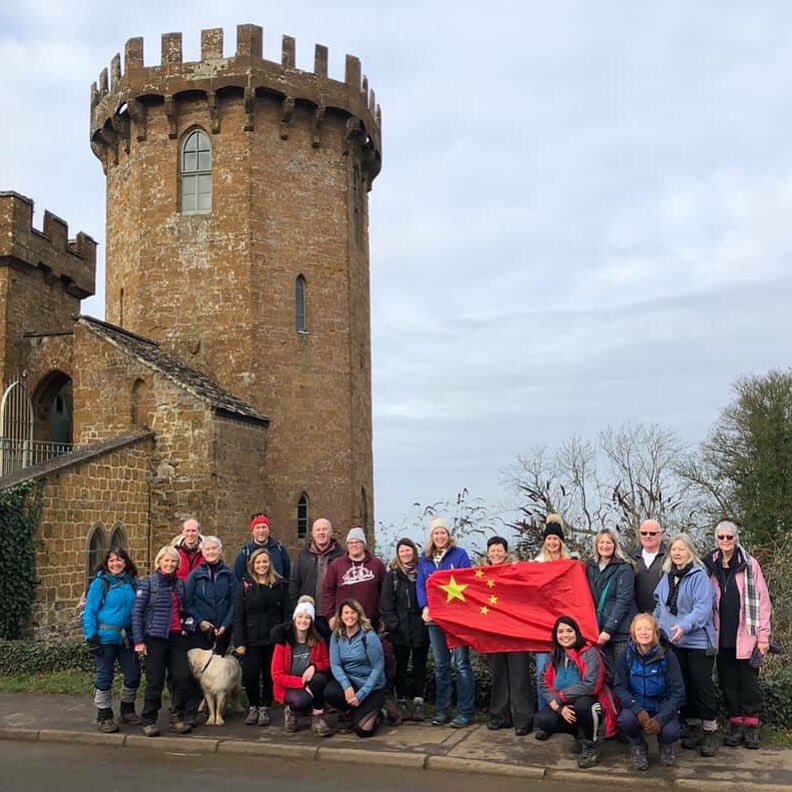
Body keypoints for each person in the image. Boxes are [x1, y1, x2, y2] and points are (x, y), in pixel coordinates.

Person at [704, 519, 772, 750]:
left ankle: (752, 726)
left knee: (749, 684)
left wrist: (763, 637)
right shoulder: (709, 564)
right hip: (720, 635)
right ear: (716, 539)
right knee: (728, 683)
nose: (725, 541)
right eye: (720, 537)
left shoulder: (749, 564)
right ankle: (735, 724)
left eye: (729, 537)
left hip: (747, 635)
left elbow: (763, 603)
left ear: (736, 538)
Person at [654, 533, 718, 756]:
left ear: (690, 551)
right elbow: (659, 606)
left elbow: (702, 609)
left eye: (681, 549)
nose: (677, 553)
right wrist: (654, 626)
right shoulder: (667, 576)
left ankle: (710, 731)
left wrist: (684, 625)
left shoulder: (699, 576)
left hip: (698, 641)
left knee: (702, 687)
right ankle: (693, 729)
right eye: (674, 549)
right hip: (674, 642)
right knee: (683, 686)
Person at [534, 615, 618, 769]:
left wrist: (561, 697)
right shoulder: (555, 654)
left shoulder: (589, 652)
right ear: (555, 635)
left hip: (592, 703)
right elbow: (543, 683)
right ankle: (579, 734)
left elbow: (591, 685)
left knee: (583, 705)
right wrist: (559, 708)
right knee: (543, 719)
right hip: (565, 705)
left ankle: (591, 745)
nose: (565, 635)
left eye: (569, 631)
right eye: (560, 632)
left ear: (577, 632)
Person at [417, 516, 476, 728]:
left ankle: (466, 711)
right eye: (436, 533)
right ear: (431, 537)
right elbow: (421, 586)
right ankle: (443, 710)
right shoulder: (424, 559)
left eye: (443, 532)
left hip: (457, 619)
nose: (440, 536)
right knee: (441, 665)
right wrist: (424, 606)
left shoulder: (460, 555)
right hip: (434, 619)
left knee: (461, 664)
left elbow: (468, 581)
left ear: (448, 535)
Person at [131, 545, 193, 737]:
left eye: (173, 561)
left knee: (182, 678)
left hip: (176, 638)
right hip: (155, 638)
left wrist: (187, 626)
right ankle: (149, 719)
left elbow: (184, 610)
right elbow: (137, 612)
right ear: (159, 561)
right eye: (166, 560)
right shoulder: (149, 583)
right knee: (155, 681)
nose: (170, 564)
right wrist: (139, 641)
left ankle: (177, 717)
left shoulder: (179, 584)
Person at [613, 613, 685, 770]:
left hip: (662, 705)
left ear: (655, 633)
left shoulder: (668, 655)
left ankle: (666, 746)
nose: (643, 632)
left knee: (671, 732)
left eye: (648, 628)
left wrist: (660, 718)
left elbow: (678, 692)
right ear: (633, 633)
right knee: (625, 720)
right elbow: (620, 687)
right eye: (639, 629)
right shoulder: (625, 656)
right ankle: (639, 746)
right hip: (637, 705)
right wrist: (637, 710)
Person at [81, 547, 141, 732]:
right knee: (105, 677)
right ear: (107, 563)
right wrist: (91, 637)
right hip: (105, 637)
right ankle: (104, 715)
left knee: (133, 675)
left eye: (119, 560)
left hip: (127, 637)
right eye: (112, 560)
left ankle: (127, 709)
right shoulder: (100, 583)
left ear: (126, 562)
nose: (116, 563)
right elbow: (89, 611)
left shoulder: (132, 583)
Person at [184, 535, 237, 725]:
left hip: (222, 630)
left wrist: (225, 624)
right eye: (207, 550)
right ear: (202, 552)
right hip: (202, 630)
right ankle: (198, 707)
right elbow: (187, 603)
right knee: (200, 673)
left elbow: (234, 602)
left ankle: (220, 709)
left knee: (219, 673)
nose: (211, 552)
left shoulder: (229, 575)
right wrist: (200, 621)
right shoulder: (195, 575)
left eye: (214, 549)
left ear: (220, 551)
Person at [232, 548, 288, 727]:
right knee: (250, 675)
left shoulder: (279, 585)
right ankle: (253, 706)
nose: (262, 565)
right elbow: (238, 616)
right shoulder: (245, 586)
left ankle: (265, 707)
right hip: (251, 638)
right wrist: (239, 641)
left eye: (265, 561)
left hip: (273, 637)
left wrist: (284, 635)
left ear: (269, 563)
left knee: (270, 674)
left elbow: (286, 613)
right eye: (258, 562)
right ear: (252, 565)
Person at [485, 536, 534, 735]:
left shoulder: (516, 572)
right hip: (493, 634)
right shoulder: (480, 576)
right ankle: (499, 716)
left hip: (516, 633)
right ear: (488, 553)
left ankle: (523, 719)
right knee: (498, 676)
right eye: (493, 550)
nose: (496, 553)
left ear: (505, 552)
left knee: (519, 676)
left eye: (499, 550)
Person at [380, 537, 430, 721]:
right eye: (401, 551)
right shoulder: (393, 576)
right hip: (399, 629)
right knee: (399, 666)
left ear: (414, 552)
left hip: (420, 626)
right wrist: (394, 625)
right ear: (398, 554)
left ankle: (418, 702)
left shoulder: (423, 572)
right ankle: (400, 699)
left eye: (408, 550)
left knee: (419, 666)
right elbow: (386, 604)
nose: (405, 554)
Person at [271, 595, 334, 736]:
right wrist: (302, 683)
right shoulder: (283, 642)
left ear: (311, 620)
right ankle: (291, 712)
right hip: (289, 685)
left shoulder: (317, 640)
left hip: (310, 683)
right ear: (294, 619)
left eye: (307, 617)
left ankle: (317, 718)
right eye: (300, 616)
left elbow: (326, 662)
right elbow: (277, 675)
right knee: (302, 701)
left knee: (320, 679)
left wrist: (314, 667)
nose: (303, 621)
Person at [325, 599, 387, 738]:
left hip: (372, 686)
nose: (349, 616)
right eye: (346, 613)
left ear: (359, 615)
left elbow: (378, 667)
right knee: (330, 692)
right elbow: (335, 664)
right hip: (352, 683)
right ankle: (351, 712)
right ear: (340, 616)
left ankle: (381, 711)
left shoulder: (369, 636)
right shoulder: (336, 635)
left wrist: (361, 694)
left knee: (362, 731)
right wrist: (347, 686)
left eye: (353, 612)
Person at [533, 515, 571, 710]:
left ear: (561, 541)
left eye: (556, 538)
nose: (552, 542)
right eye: (549, 538)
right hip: (542, 626)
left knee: (567, 672)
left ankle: (567, 715)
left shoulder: (571, 563)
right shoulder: (536, 564)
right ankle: (544, 715)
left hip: (565, 627)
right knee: (542, 671)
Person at [585, 528, 637, 668]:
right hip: (598, 631)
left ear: (615, 545)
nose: (605, 546)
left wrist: (608, 630)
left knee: (621, 674)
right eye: (601, 542)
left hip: (620, 632)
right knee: (604, 676)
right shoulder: (590, 567)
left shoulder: (624, 568)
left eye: (609, 542)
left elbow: (623, 601)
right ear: (596, 545)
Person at [322, 527, 386, 629]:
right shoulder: (336, 565)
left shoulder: (377, 565)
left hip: (370, 622)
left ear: (363, 544)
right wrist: (330, 616)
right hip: (344, 622)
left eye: (357, 542)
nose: (354, 545)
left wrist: (384, 617)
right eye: (351, 543)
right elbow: (328, 592)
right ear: (347, 545)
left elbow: (385, 593)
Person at [289, 517, 344, 631]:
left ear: (331, 532)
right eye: (318, 530)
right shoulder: (303, 556)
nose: (321, 533)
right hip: (309, 614)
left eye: (325, 529)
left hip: (334, 614)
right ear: (313, 534)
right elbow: (294, 582)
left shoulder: (342, 556)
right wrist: (297, 607)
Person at [234, 514, 291, 583]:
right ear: (252, 531)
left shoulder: (279, 549)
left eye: (264, 527)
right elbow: (238, 578)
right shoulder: (245, 553)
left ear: (268, 530)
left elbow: (286, 574)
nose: (261, 531)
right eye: (257, 528)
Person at [633, 519, 666, 614]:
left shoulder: (669, 558)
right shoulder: (631, 559)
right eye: (643, 533)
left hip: (663, 616)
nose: (647, 536)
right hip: (637, 618)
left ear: (660, 535)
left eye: (652, 533)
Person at [173, 517, 205, 582]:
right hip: (179, 590)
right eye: (187, 530)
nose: (190, 534)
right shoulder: (174, 551)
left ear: (199, 532)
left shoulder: (207, 551)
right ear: (183, 532)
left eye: (193, 531)